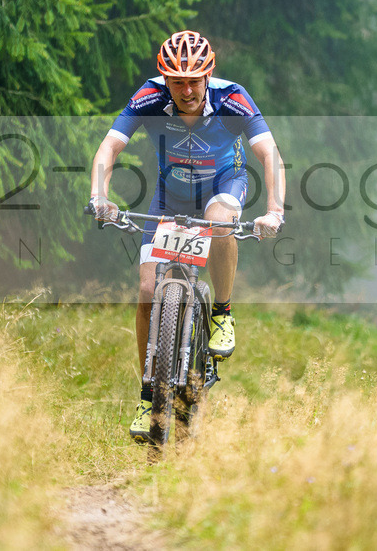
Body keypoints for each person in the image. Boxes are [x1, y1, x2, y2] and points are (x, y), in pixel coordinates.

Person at [89, 30, 286, 442]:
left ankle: (221, 312)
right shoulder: (149, 97)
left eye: (194, 79)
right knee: (147, 290)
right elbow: (109, 148)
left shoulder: (233, 97)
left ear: (208, 74)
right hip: (169, 196)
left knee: (218, 221)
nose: (186, 89)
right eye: (176, 81)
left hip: (224, 186)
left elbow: (269, 154)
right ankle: (147, 396)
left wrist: (274, 211)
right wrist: (99, 196)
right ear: (164, 79)